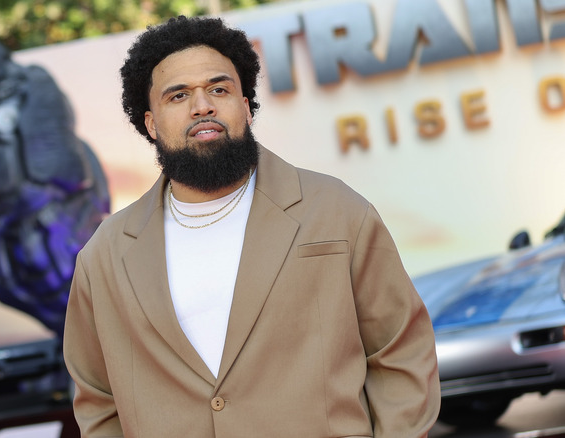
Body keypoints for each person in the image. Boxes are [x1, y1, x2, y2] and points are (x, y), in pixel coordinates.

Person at [63, 15, 441, 437]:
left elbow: (400, 352)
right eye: (178, 95)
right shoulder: (105, 257)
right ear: (151, 123)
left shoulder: (336, 211)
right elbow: (98, 398)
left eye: (219, 89)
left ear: (245, 107)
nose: (202, 105)